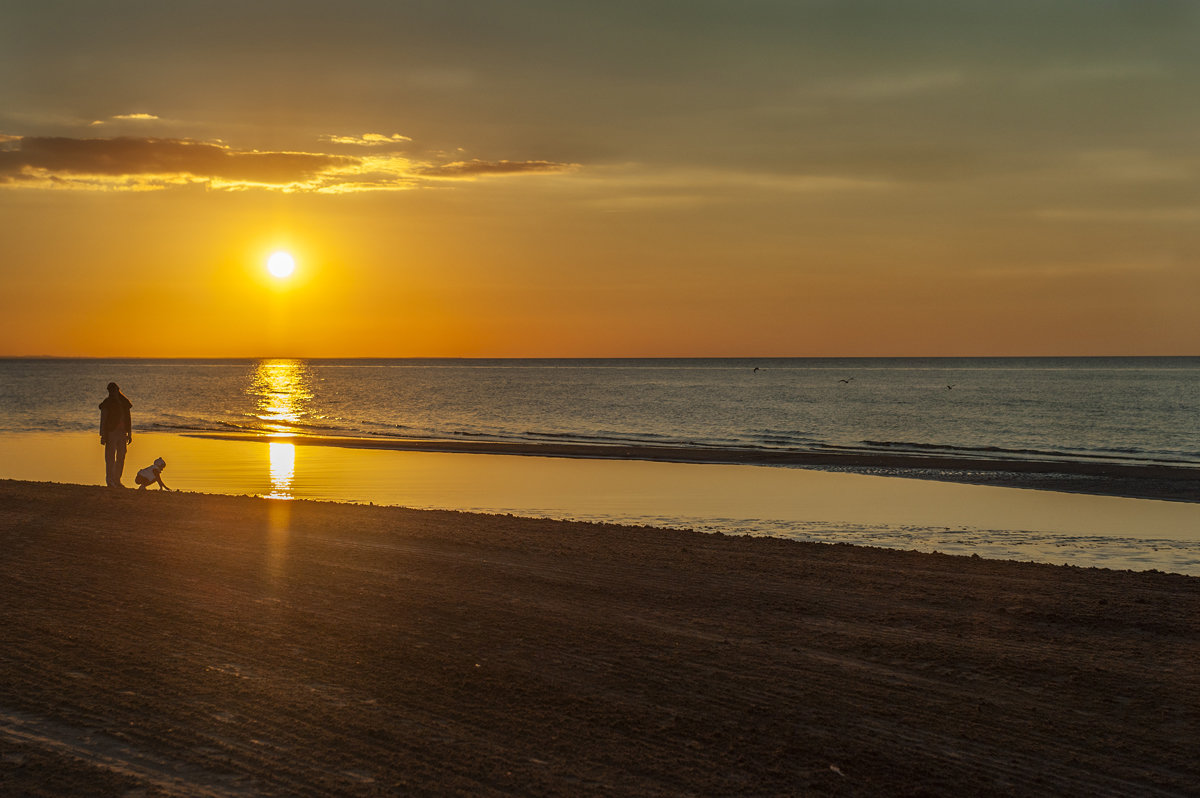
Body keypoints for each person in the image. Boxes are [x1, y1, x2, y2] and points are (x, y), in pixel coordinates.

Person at [99, 382, 132, 488]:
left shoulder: (124, 402)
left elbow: (128, 419)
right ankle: (110, 481)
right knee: (110, 457)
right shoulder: (107, 403)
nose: (112, 392)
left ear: (117, 390)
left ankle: (117, 480)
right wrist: (103, 435)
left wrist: (130, 433)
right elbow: (103, 420)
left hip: (122, 433)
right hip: (111, 432)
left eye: (113, 390)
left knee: (121, 456)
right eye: (110, 391)